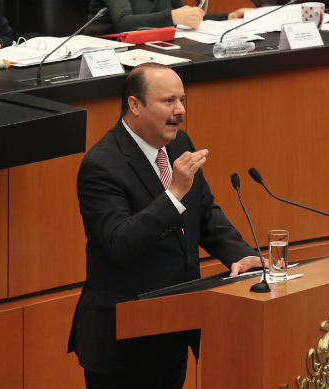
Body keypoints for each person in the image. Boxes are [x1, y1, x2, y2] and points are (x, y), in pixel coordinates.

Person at [68, 62, 263, 389]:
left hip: (174, 330)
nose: (180, 110)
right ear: (135, 105)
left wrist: (240, 256)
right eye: (168, 101)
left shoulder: (177, 143)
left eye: (182, 100)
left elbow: (204, 213)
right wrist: (174, 194)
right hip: (124, 345)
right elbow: (120, 244)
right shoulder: (102, 165)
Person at [85, 0, 252, 35]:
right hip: (108, 49)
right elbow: (123, 22)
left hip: (148, 47)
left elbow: (183, 14)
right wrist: (172, 16)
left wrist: (228, 16)